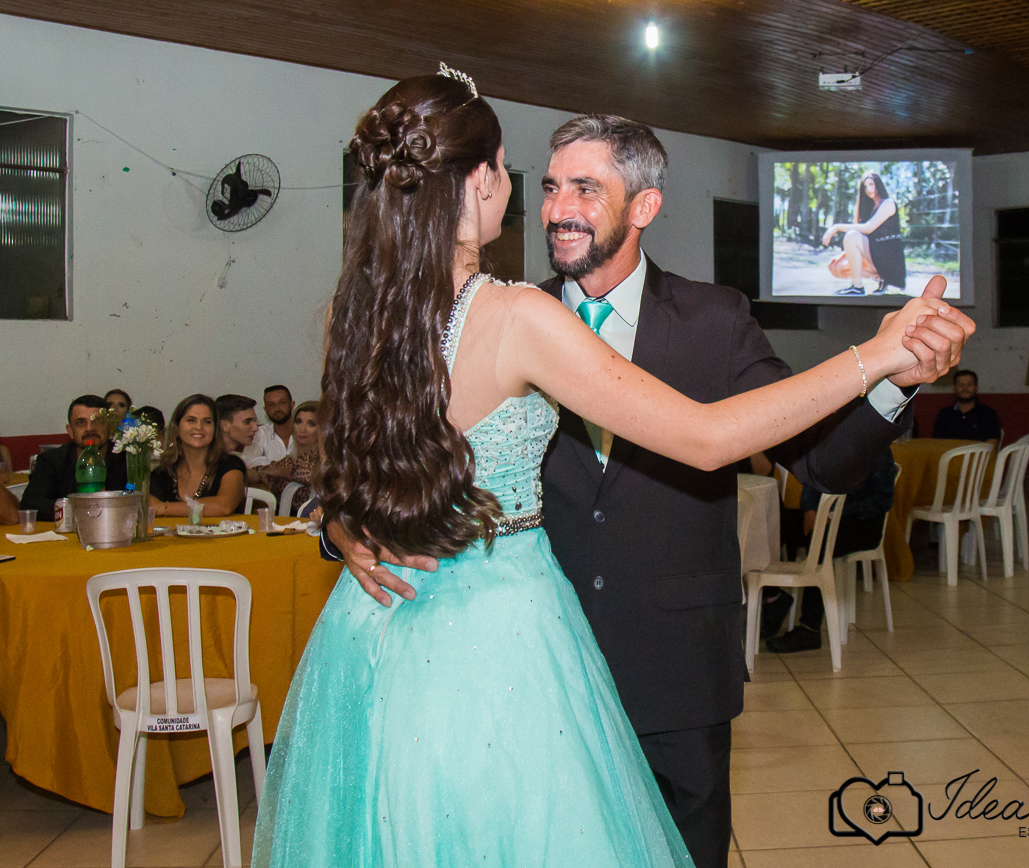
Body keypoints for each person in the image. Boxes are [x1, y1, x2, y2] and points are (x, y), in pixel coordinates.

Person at [292, 73, 972, 867]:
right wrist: (875, 350)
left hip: (599, 654)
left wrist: (892, 380)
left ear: (644, 206)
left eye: (584, 187)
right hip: (524, 657)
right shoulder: (519, 314)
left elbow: (818, 459)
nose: (552, 206)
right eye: (540, 182)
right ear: (477, 181)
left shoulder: (358, 310)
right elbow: (706, 438)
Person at [766, 448, 898, 653]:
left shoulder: (876, 448)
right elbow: (811, 483)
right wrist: (810, 510)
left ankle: (809, 629)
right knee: (775, 523)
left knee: (821, 539)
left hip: (863, 524)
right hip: (825, 516)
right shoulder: (829, 444)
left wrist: (832, 513)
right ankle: (772, 597)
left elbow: (881, 500)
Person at [20, 395, 129, 521]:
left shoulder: (128, 460)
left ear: (110, 427)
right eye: (80, 423)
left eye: (97, 421)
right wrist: (82, 509)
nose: (90, 429)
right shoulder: (52, 460)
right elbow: (31, 503)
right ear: (70, 431)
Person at [148, 395, 246, 518]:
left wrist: (163, 508)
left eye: (207, 422)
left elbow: (223, 506)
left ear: (215, 429)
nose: (199, 427)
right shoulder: (162, 473)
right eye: (191, 420)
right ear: (176, 428)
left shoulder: (231, 465)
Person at [822, 171, 906, 296]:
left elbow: (868, 228)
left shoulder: (888, 203)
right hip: (877, 254)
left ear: (878, 184)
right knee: (837, 267)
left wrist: (836, 227)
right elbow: (866, 239)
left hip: (890, 258)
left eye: (871, 184)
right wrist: (844, 255)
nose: (869, 189)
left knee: (851, 235)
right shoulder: (870, 208)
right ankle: (880, 278)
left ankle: (858, 287)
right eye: (865, 187)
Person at [257, 401, 319, 509]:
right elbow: (257, 472)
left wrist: (278, 473)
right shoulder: (292, 459)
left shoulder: (327, 459)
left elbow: (313, 476)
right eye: (298, 422)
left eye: (311, 424)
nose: (302, 429)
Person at [933, 369, 1001, 446]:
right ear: (954, 389)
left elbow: (993, 443)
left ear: (976, 388)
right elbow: (937, 443)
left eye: (969, 385)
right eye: (960, 385)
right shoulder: (944, 415)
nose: (965, 388)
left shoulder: (988, 414)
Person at [241, 385, 296, 469]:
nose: (277, 408)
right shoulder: (258, 433)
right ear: (265, 410)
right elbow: (248, 462)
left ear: (292, 405)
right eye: (271, 404)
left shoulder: (306, 432)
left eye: (282, 402)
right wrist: (279, 467)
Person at [216, 394, 261, 460]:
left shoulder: (235, 458)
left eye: (255, 421)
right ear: (225, 426)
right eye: (247, 422)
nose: (255, 428)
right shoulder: (209, 460)